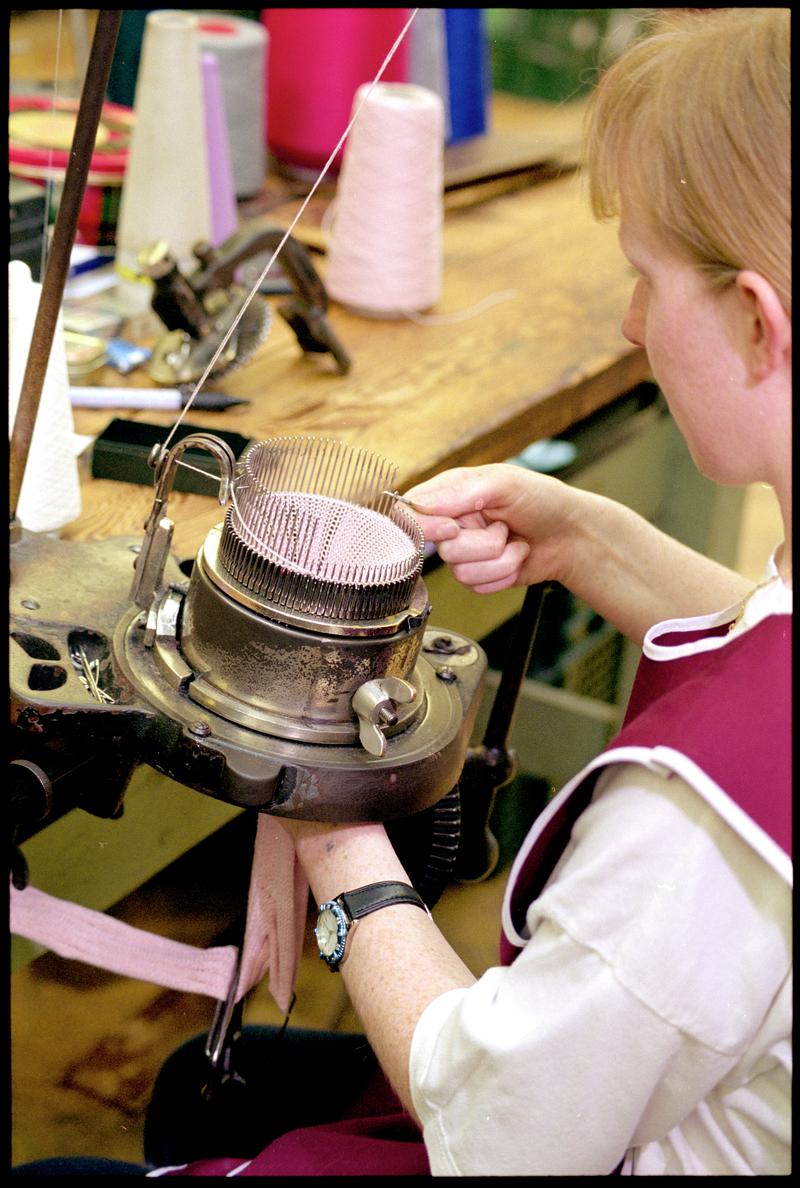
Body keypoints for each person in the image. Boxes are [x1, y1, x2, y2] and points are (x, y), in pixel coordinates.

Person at [13, 6, 790, 1177]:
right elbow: (760, 633)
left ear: (754, 320)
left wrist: (322, 815)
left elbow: (502, 1137)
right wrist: (589, 539)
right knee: (207, 1088)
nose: (630, 327)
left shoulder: (696, 830)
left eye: (644, 281)